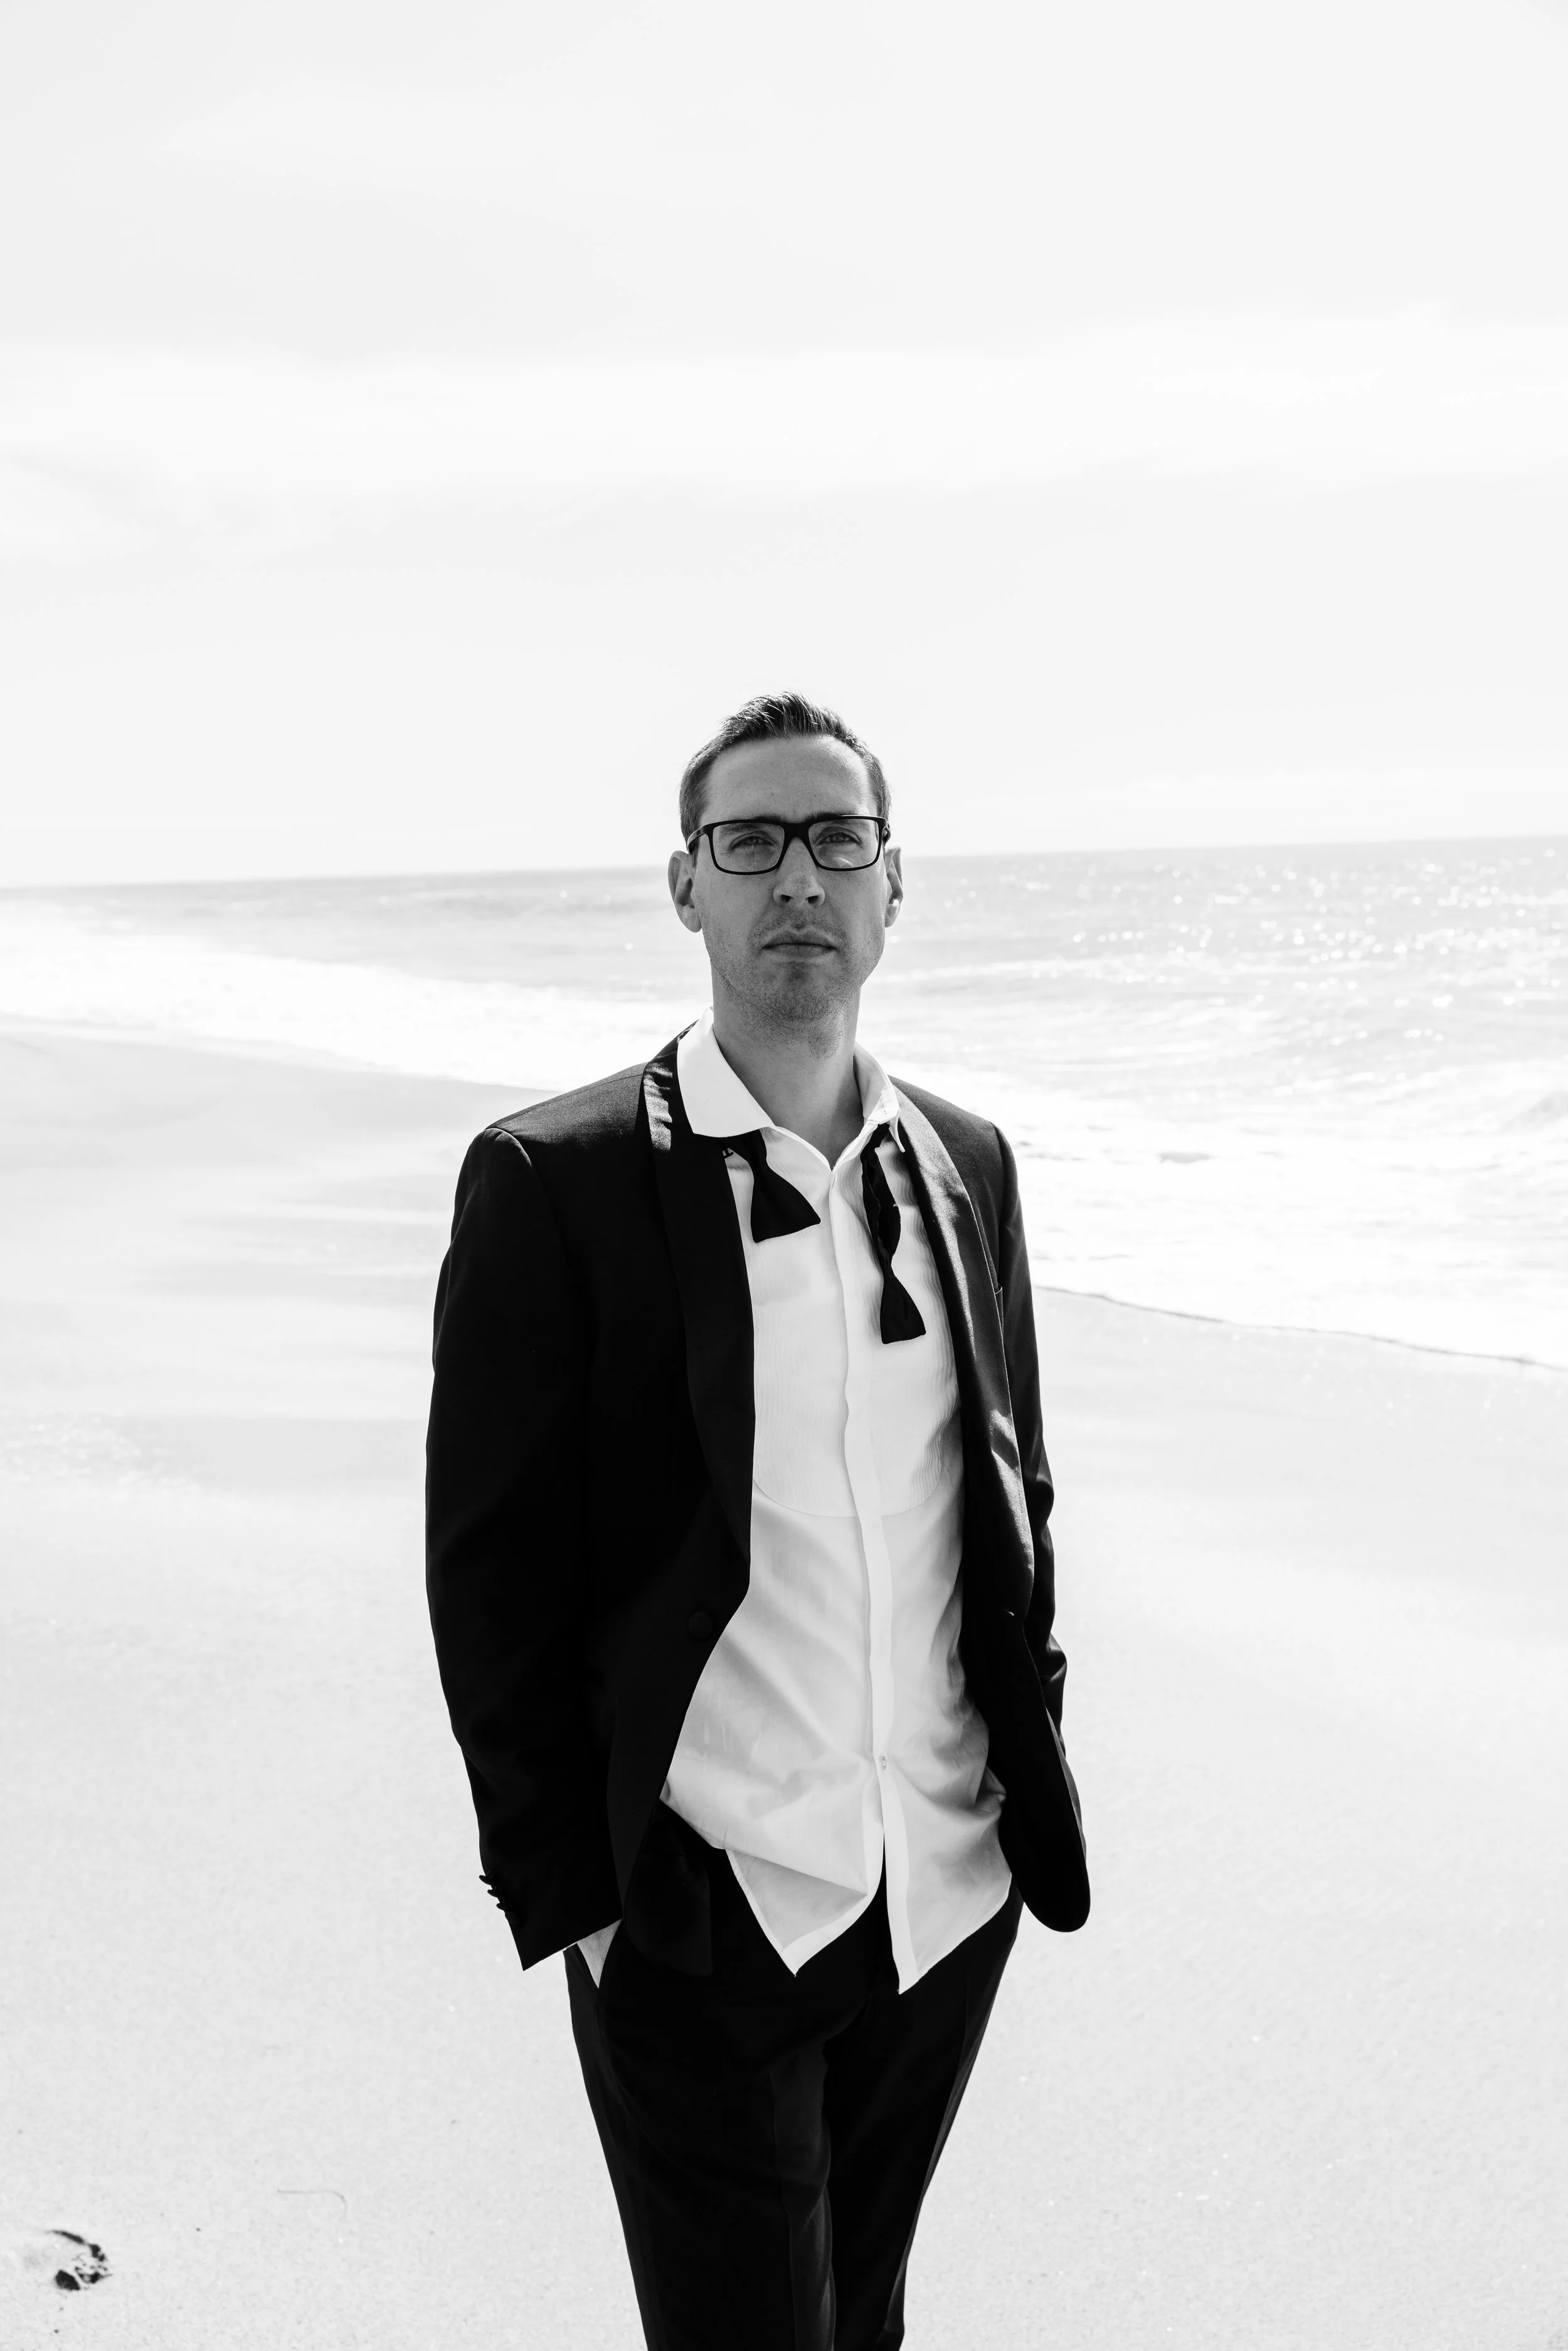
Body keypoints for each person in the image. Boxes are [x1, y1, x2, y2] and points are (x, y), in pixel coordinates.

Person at [425, 691, 1089, 2351]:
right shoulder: (556, 1180)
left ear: (891, 883)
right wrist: (574, 1899)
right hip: (696, 1910)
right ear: (687, 885)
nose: (799, 875)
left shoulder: (969, 1163)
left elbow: (1011, 1492)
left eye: (838, 838)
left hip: (940, 1888)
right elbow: (489, 1572)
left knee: (860, 2319)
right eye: (752, 840)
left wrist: (1024, 1766)